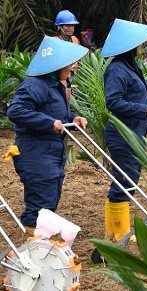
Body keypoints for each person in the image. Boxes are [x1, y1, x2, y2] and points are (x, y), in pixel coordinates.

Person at [94, 19, 147, 261]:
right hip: (122, 134)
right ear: (130, 45)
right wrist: (146, 111)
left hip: (135, 132)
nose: (144, 45)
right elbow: (114, 103)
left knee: (128, 182)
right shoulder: (116, 69)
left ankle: (114, 232)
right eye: (140, 42)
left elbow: (140, 100)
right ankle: (117, 233)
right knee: (124, 183)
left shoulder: (132, 66)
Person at [6, 36, 88, 238]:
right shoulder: (35, 85)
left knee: (50, 199)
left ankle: (43, 245)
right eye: (68, 64)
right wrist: (48, 123)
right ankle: (32, 246)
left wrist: (74, 118)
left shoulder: (56, 86)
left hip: (51, 152)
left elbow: (58, 114)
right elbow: (16, 111)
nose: (71, 69)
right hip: (35, 152)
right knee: (39, 203)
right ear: (56, 65)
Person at [54, 10, 81, 101]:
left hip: (73, 79)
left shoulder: (75, 40)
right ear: (60, 27)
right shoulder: (54, 42)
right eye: (67, 25)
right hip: (59, 80)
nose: (70, 28)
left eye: (72, 25)